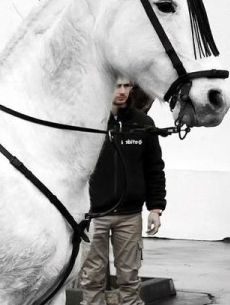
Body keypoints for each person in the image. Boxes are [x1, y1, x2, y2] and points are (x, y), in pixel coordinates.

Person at [79, 78, 167, 305]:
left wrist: (155, 208)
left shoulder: (143, 123)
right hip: (93, 216)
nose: (122, 91)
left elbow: (154, 168)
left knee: (129, 279)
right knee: (91, 279)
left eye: (127, 86)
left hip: (129, 215)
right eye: (117, 86)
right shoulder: (88, 121)